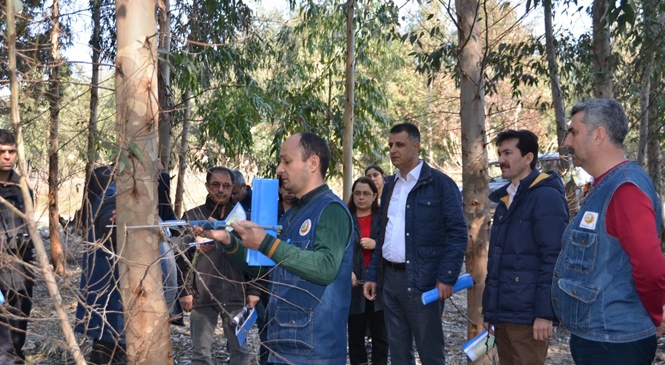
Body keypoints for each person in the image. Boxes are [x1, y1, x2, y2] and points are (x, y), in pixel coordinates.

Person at [196, 132, 353, 365]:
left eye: (286, 161)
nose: (279, 169)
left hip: (315, 352)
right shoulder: (292, 214)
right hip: (282, 342)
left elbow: (325, 268)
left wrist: (266, 243)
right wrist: (228, 241)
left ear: (313, 163)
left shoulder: (331, 210)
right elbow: (268, 270)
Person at [552, 98, 665, 364]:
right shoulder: (607, 185)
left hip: (614, 344)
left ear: (599, 134)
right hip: (602, 339)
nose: (568, 141)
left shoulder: (625, 190)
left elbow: (649, 266)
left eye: (574, 132)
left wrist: (656, 314)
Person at [363, 123, 468, 365]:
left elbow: (457, 232)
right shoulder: (390, 185)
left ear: (416, 147)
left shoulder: (440, 184)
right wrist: (372, 275)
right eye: (390, 145)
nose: (392, 150)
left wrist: (447, 276)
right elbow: (382, 235)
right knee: (398, 352)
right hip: (389, 281)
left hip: (424, 282)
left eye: (399, 144)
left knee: (430, 351)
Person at [75, 166, 181, 364]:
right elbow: (107, 224)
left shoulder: (142, 203)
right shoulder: (114, 197)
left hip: (141, 315)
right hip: (118, 316)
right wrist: (117, 222)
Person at [481, 130, 568, 365]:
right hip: (503, 315)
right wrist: (490, 313)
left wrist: (545, 313)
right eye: (500, 153)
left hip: (529, 317)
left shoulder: (545, 196)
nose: (501, 160)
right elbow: (498, 261)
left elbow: (554, 258)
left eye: (508, 153)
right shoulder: (505, 200)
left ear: (528, 157)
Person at [179, 166, 260, 365]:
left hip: (235, 295)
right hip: (202, 296)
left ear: (233, 188)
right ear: (207, 186)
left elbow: (254, 256)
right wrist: (185, 290)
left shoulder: (243, 219)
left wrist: (253, 289)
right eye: (215, 184)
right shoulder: (192, 216)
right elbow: (179, 255)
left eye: (226, 185)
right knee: (201, 356)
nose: (221, 190)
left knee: (240, 352)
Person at [0, 129, 34, 364]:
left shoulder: (23, 187)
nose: (7, 157)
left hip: (19, 271)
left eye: (12, 151)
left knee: (15, 332)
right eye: (2, 152)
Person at [347, 177, 388, 365]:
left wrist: (375, 244)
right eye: (357, 193)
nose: (361, 197)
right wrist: (347, 270)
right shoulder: (345, 217)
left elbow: (393, 245)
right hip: (353, 283)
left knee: (380, 334)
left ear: (374, 196)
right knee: (355, 335)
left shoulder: (383, 218)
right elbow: (337, 248)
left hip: (379, 283)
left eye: (366, 193)